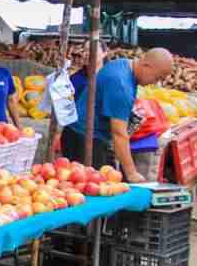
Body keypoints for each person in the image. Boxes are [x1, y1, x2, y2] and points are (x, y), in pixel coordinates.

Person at [60, 47, 174, 183]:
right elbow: (119, 134)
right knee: (93, 192)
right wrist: (131, 173)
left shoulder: (124, 64)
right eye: (157, 77)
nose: (155, 83)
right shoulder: (121, 85)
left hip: (84, 134)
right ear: (147, 65)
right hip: (84, 140)